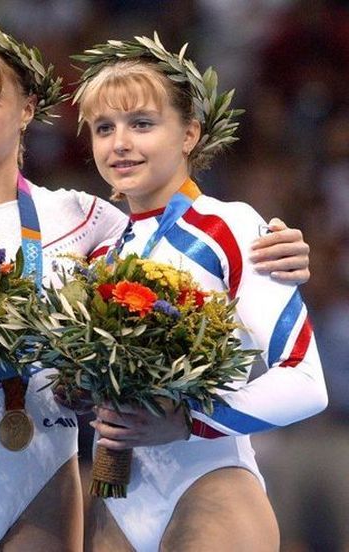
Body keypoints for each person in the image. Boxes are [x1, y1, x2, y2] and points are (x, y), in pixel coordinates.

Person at [0, 22, 312, 551]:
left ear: (27, 109)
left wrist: (282, 249)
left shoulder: (85, 219)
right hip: (3, 486)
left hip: (62, 484)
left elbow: (179, 237)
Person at [73, 34, 329, 551]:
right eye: (104, 128)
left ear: (190, 133)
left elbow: (306, 383)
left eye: (141, 124)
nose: (119, 143)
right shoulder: (98, 256)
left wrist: (188, 420)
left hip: (209, 484)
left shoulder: (231, 227)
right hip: (114, 501)